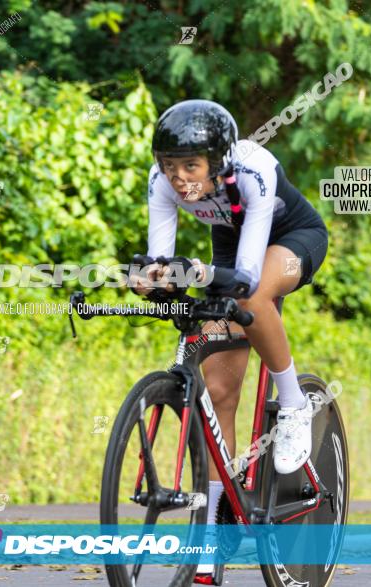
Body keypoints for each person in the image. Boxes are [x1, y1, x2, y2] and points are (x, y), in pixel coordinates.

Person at [129, 99, 329, 584]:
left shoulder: (255, 171)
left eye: (190, 166)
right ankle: (213, 538)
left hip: (291, 236)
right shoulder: (162, 185)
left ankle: (294, 402)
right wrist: (151, 278)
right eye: (169, 165)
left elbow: (245, 276)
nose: (178, 178)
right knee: (218, 393)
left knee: (256, 295)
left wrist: (200, 275)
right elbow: (162, 261)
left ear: (218, 163)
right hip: (228, 243)